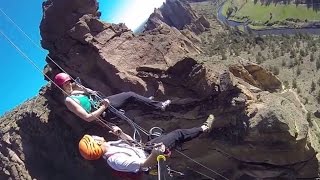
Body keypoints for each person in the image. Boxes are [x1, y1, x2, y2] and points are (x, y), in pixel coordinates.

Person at [78, 114, 215, 173]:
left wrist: (121, 134)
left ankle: (169, 141)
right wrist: (156, 153)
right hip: (150, 156)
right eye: (93, 138)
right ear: (96, 144)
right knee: (177, 134)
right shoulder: (116, 160)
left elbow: (133, 143)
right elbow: (144, 164)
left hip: (145, 148)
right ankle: (204, 128)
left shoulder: (110, 146)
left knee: (164, 135)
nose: (95, 136)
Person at [53, 72, 171, 122]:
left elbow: (93, 92)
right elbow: (88, 117)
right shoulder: (69, 100)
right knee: (130, 95)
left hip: (103, 104)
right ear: (60, 87)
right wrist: (103, 107)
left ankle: (147, 103)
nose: (69, 85)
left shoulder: (75, 92)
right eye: (66, 84)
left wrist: (83, 88)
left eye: (69, 82)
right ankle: (159, 106)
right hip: (104, 111)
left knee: (130, 99)